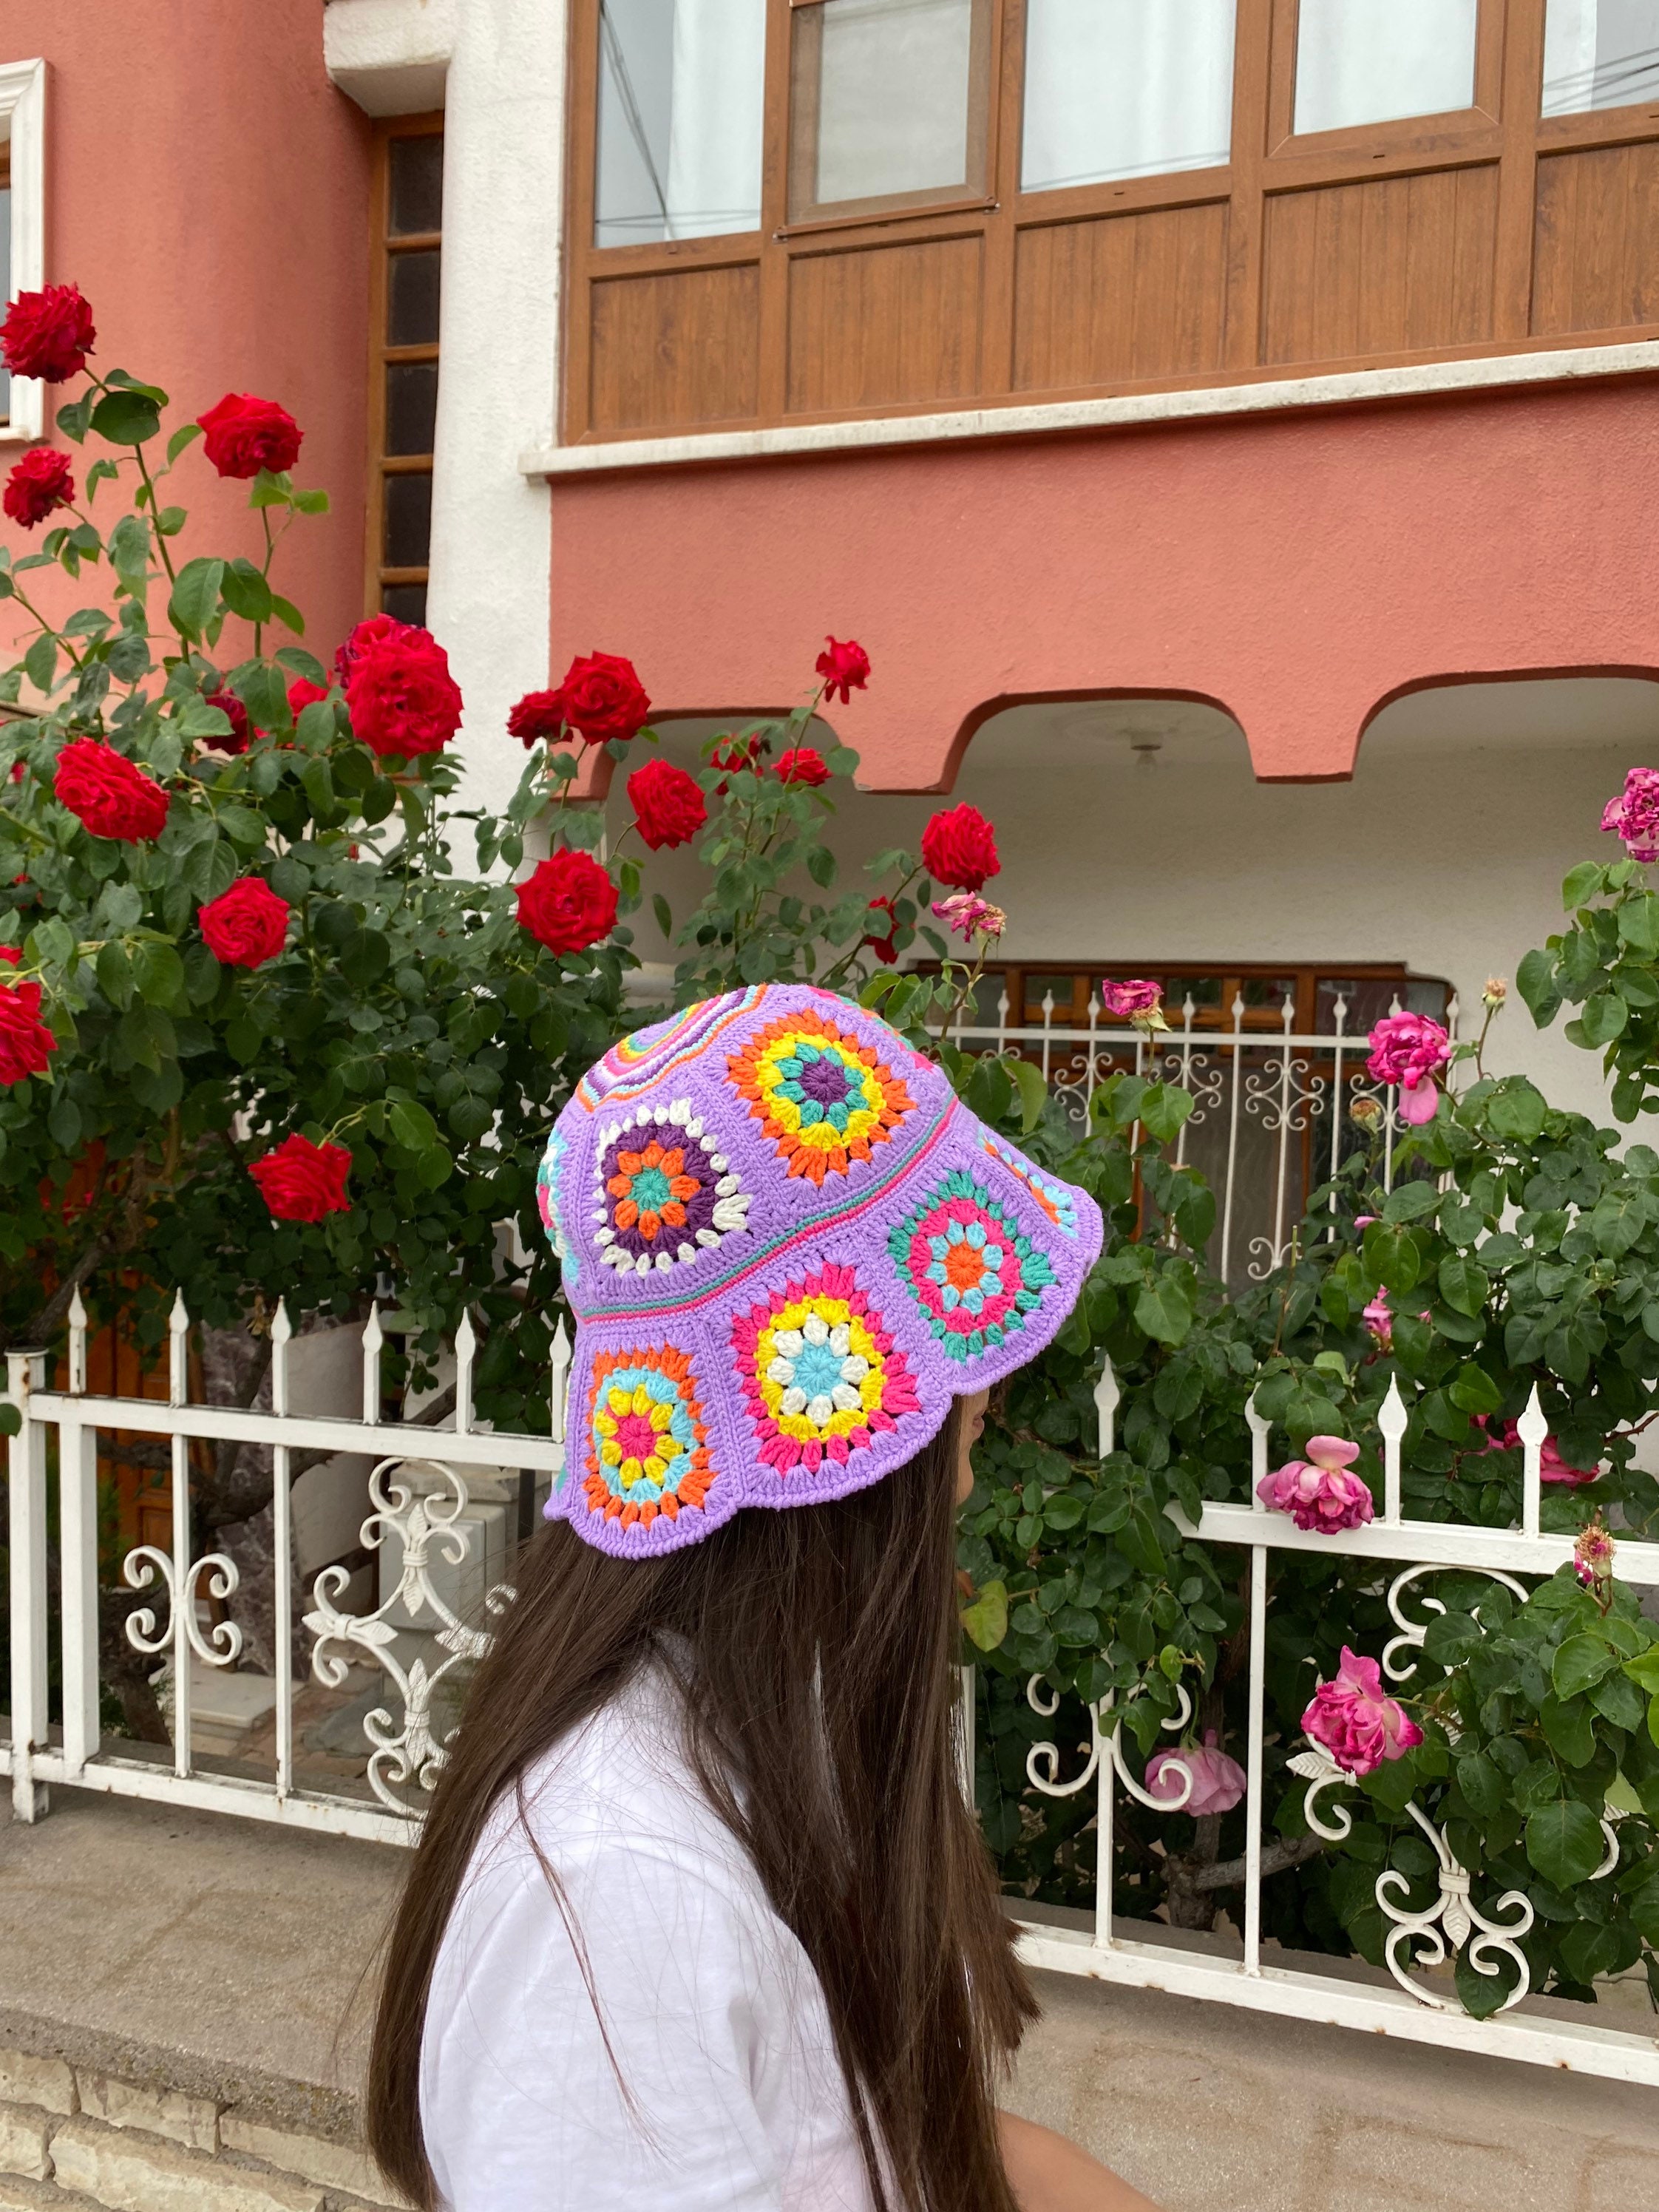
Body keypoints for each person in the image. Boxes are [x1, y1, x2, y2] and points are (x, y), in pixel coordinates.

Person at [367, 984, 1162, 2212]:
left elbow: (890, 2141)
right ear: (845, 1418)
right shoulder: (619, 1902)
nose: (986, 1408)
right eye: (961, 1364)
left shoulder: (764, 1726)